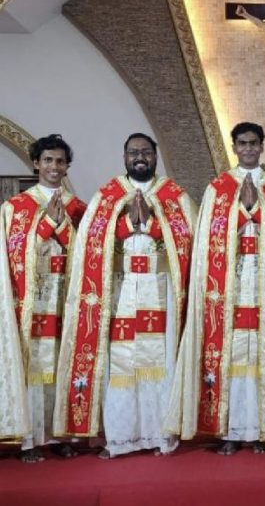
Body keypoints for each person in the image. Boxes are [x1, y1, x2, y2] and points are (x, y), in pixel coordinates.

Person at [165, 122, 265, 454]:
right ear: (234, 147)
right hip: (230, 284)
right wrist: (244, 211)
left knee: (264, 354)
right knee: (230, 353)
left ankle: (264, 432)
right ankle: (228, 431)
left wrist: (255, 210)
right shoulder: (218, 187)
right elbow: (210, 235)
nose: (248, 149)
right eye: (242, 143)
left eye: (254, 143)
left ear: (262, 146)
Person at [53, 133, 196, 458]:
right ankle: (120, 439)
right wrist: (128, 224)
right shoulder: (108, 196)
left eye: (146, 152)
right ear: (124, 157)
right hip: (121, 293)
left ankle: (160, 435)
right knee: (120, 367)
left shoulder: (174, 195)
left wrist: (153, 224)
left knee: (160, 364)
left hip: (159, 291)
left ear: (155, 157)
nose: (140, 157)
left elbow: (188, 241)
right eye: (133, 152)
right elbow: (92, 241)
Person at [0, 135, 86, 462]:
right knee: (33, 369)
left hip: (66, 294)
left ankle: (61, 435)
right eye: (48, 160)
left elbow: (89, 253)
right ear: (36, 163)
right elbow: (14, 254)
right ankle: (30, 439)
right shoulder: (15, 207)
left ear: (67, 166)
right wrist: (49, 222)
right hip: (31, 300)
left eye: (60, 161)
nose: (54, 166)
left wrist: (61, 226)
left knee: (63, 363)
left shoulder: (78, 208)